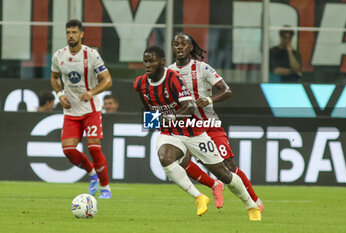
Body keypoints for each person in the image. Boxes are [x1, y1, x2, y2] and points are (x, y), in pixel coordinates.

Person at [134, 45, 261, 220]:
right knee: (165, 158)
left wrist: (170, 117)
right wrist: (155, 121)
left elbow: (188, 106)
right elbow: (148, 110)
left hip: (193, 131)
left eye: (151, 61)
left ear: (162, 62)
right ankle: (199, 196)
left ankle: (251, 205)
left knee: (224, 173)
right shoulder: (140, 83)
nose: (147, 65)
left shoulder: (173, 78)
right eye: (145, 62)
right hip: (170, 134)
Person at [168, 32, 263, 212]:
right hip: (185, 127)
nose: (179, 47)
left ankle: (256, 202)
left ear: (191, 48)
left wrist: (210, 100)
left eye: (183, 44)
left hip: (208, 124)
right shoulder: (170, 72)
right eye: (175, 44)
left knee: (228, 166)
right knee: (180, 159)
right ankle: (214, 185)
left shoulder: (202, 68)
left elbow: (227, 91)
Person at [50, 19, 113, 199]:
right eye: (68, 32)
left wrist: (92, 92)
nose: (71, 36)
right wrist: (60, 94)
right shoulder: (58, 56)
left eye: (74, 32)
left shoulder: (91, 55)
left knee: (94, 148)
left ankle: (106, 188)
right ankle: (92, 173)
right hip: (71, 111)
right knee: (68, 150)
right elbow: (54, 77)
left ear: (82, 34)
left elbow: (107, 79)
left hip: (90, 109)